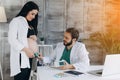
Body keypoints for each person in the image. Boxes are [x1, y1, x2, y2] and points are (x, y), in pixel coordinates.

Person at [8, 1, 39, 80]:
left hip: (29, 57)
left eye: (35, 15)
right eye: (32, 14)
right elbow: (12, 39)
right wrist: (26, 50)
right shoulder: (16, 21)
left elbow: (27, 39)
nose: (34, 17)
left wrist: (34, 38)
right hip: (21, 57)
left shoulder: (29, 24)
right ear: (27, 10)